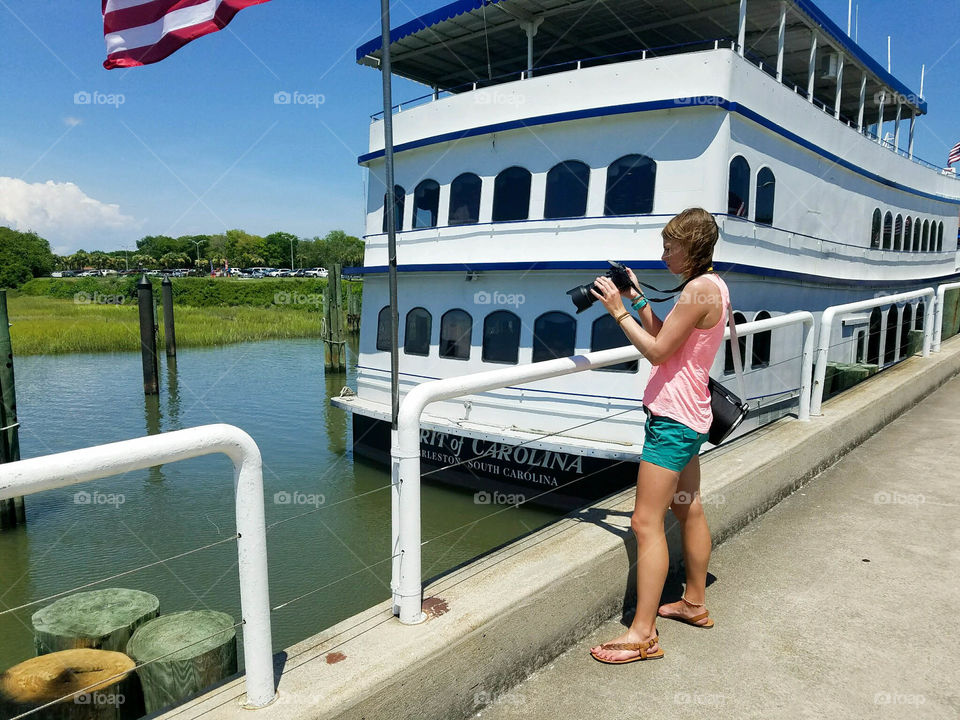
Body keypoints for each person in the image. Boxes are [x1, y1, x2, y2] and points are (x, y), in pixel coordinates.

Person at [588, 207, 730, 664]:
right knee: (689, 509)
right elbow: (671, 340)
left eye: (670, 245)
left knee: (644, 523)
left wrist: (616, 311)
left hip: (672, 421)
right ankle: (693, 602)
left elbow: (655, 351)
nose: (664, 252)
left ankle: (642, 634)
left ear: (692, 247)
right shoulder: (712, 286)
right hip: (692, 414)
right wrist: (639, 299)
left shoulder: (697, 290)